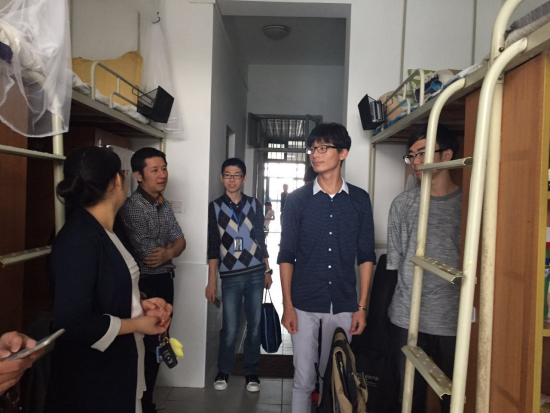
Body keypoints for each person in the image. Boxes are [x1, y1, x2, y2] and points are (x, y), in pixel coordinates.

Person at [46, 146, 172, 413]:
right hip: (93, 377)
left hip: (119, 364)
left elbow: (107, 289)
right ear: (118, 180)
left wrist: (141, 303)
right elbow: (74, 321)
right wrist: (137, 323)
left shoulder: (110, 232)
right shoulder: (78, 239)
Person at [278, 123, 376, 413]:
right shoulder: (297, 201)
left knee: (335, 377)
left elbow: (366, 255)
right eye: (313, 149)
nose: (316, 154)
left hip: (343, 301)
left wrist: (362, 306)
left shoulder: (359, 200)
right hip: (304, 301)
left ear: (342, 153)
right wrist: (287, 306)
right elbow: (286, 255)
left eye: (323, 148)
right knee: (303, 379)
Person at [387, 124, 461, 413]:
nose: (416, 162)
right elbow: (395, 262)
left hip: (451, 320)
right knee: (407, 398)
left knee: (453, 398)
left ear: (447, 155)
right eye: (411, 155)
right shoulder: (402, 204)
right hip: (407, 317)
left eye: (423, 153)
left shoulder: (468, 205)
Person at [119, 147, 186, 413]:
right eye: (155, 170)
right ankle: (142, 404)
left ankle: (148, 403)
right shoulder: (133, 207)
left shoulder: (162, 203)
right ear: (138, 175)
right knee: (144, 346)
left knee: (160, 341)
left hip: (164, 281)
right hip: (145, 286)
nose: (162, 175)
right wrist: (170, 250)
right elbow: (149, 256)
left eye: (164, 168)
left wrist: (169, 252)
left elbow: (180, 240)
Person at [205, 158, 273, 393]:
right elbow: (213, 246)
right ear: (221, 177)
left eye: (236, 175)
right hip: (230, 276)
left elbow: (261, 239)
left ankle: (251, 371)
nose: (232, 179)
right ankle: (224, 369)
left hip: (255, 272)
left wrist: (267, 270)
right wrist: (211, 280)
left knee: (254, 325)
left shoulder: (253, 204)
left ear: (244, 178)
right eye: (227, 175)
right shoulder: (215, 207)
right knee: (230, 327)